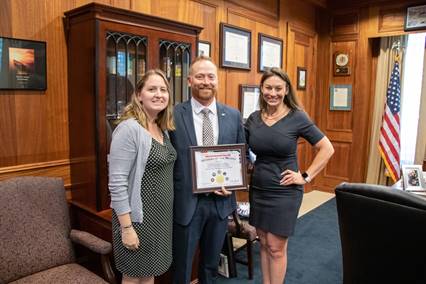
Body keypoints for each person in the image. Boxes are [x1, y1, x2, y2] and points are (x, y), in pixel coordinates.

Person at [245, 67, 334, 284]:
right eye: (268, 88)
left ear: (286, 90)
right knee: (264, 241)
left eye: (278, 88)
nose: (272, 93)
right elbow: (244, 148)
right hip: (259, 189)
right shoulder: (254, 118)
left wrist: (305, 176)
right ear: (261, 89)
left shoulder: (297, 117)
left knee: (276, 247)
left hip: (284, 191)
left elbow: (327, 148)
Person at [170, 56, 245, 284]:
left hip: (220, 204)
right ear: (190, 80)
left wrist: (232, 187)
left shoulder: (233, 115)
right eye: (200, 76)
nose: (206, 81)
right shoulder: (173, 114)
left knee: (211, 267)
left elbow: (239, 158)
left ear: (217, 81)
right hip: (186, 204)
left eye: (210, 76)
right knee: (182, 268)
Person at [108, 69, 177, 284]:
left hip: (160, 219)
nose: (159, 94)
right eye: (152, 89)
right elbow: (117, 184)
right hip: (137, 220)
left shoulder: (160, 126)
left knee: (149, 274)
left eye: (163, 90)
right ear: (139, 95)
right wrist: (127, 228)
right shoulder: (129, 129)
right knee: (132, 277)